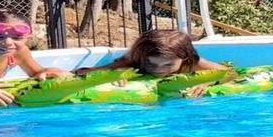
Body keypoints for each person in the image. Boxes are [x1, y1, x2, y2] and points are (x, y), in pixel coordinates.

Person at [81, 29, 231, 94]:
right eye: (152, 64)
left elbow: (229, 73)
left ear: (184, 58)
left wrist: (206, 81)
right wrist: (114, 75)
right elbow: (84, 73)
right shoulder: (132, 61)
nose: (159, 69)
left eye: (168, 64)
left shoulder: (191, 63)